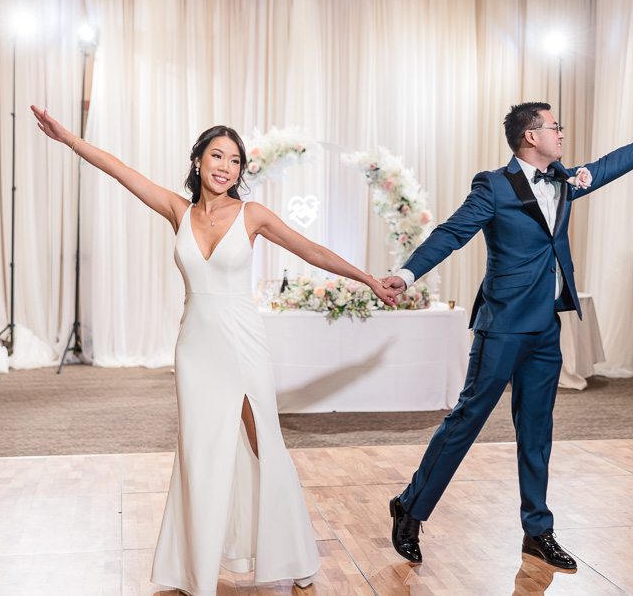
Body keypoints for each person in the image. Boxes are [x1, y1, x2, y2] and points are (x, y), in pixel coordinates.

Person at [30, 106, 396, 596]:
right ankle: (197, 572)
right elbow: (121, 171)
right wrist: (68, 139)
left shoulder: (253, 215)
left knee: (264, 443)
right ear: (198, 161)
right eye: (216, 156)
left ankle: (295, 556)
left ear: (241, 170)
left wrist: (368, 279)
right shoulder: (176, 211)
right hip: (195, 351)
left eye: (235, 160)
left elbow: (313, 251)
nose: (225, 166)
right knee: (200, 455)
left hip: (243, 345)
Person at [382, 99, 633, 570]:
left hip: (546, 329)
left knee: (537, 433)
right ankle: (410, 507)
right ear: (531, 136)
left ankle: (537, 530)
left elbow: (613, 164)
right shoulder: (493, 186)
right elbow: (452, 232)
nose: (562, 133)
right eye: (555, 127)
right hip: (503, 325)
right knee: (467, 420)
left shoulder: (564, 179)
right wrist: (407, 273)